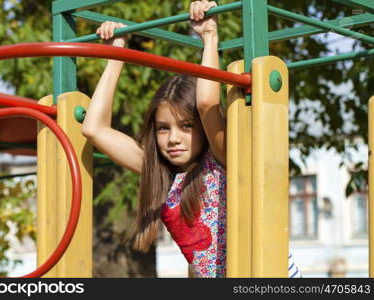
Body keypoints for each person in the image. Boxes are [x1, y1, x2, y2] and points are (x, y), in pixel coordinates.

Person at [82, 0, 301, 278]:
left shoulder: (222, 158)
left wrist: (209, 36)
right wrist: (117, 52)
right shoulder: (163, 173)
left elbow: (207, 103)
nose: (173, 138)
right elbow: (94, 129)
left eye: (186, 126)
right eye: (163, 128)